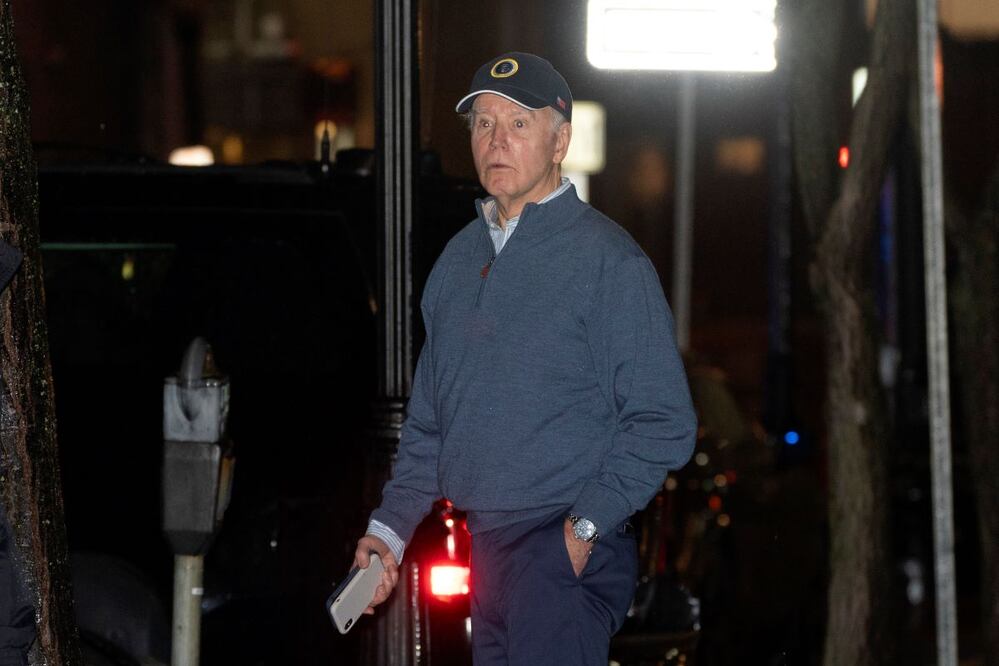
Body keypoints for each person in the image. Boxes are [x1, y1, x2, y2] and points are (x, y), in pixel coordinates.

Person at [353, 51, 697, 665]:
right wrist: (388, 533)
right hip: (485, 550)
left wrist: (582, 529)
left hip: (559, 549)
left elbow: (663, 420)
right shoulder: (457, 263)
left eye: (518, 124)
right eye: (483, 123)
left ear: (560, 139)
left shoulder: (609, 262)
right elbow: (432, 423)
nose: (497, 140)